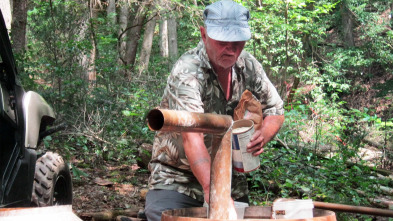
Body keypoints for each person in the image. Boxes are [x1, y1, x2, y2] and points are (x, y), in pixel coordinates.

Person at [144, 1, 285, 220]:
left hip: (228, 177)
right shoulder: (188, 71)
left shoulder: (248, 65)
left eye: (237, 42)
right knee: (164, 217)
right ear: (204, 35)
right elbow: (193, 139)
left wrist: (262, 136)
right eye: (222, 41)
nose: (231, 49)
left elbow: (275, 110)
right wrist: (214, 192)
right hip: (178, 178)